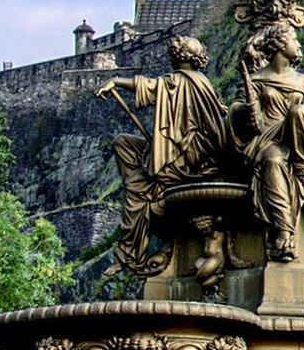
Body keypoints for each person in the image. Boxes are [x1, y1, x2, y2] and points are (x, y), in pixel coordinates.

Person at [96, 36, 227, 276]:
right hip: (187, 152)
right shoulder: (202, 82)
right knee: (123, 143)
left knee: (136, 195)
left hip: (182, 158)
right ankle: (141, 179)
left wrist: (114, 80)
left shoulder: (178, 81)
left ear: (178, 57)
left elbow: (148, 86)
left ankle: (128, 255)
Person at [230, 23, 304, 261]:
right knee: (273, 160)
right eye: (295, 40)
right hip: (267, 139)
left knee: (298, 112)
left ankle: (303, 165)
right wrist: (245, 109)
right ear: (280, 45)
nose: (300, 45)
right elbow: (236, 113)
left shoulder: (302, 80)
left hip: (297, 139)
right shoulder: (256, 79)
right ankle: (284, 231)